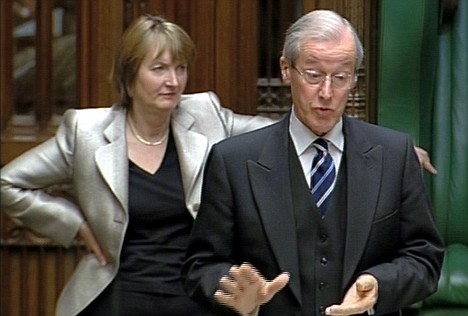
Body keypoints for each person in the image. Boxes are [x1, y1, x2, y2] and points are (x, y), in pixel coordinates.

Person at [0, 14, 273, 316]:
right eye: (159, 69)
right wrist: (74, 226)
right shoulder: (87, 132)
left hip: (195, 298)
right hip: (118, 296)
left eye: (180, 68)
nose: (173, 81)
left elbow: (274, 136)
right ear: (129, 77)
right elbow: (9, 183)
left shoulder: (207, 115)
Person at [183, 10, 444, 316]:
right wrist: (236, 294)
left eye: (341, 77)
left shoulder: (394, 154)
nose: (327, 92)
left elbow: (424, 258)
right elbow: (201, 266)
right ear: (286, 69)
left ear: (355, 78)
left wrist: (378, 284)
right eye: (314, 75)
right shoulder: (234, 161)